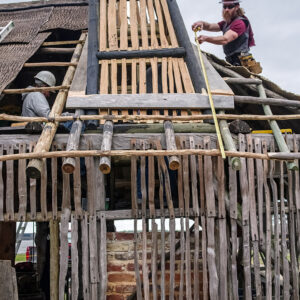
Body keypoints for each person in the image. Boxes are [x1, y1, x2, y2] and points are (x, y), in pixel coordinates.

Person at [192, 0, 261, 73]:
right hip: (231, 61)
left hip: (242, 62)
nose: (226, 9)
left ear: (237, 7)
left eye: (230, 6)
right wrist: (202, 23)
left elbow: (225, 39)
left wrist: (206, 38)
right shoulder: (226, 23)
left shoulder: (240, 23)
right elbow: (210, 26)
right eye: (224, 7)